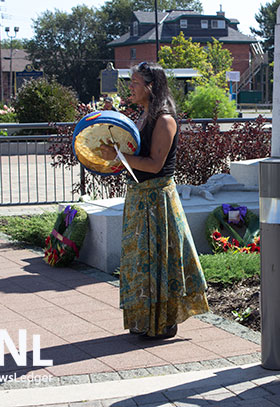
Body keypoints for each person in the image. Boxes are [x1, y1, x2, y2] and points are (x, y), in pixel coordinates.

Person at [100, 62, 209, 339]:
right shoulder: (144, 115)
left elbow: (155, 163)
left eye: (135, 83)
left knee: (160, 262)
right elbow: (133, 158)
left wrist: (118, 156)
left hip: (157, 201)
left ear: (150, 86)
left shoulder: (164, 119)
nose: (130, 88)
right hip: (141, 200)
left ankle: (163, 323)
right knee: (141, 263)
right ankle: (147, 320)